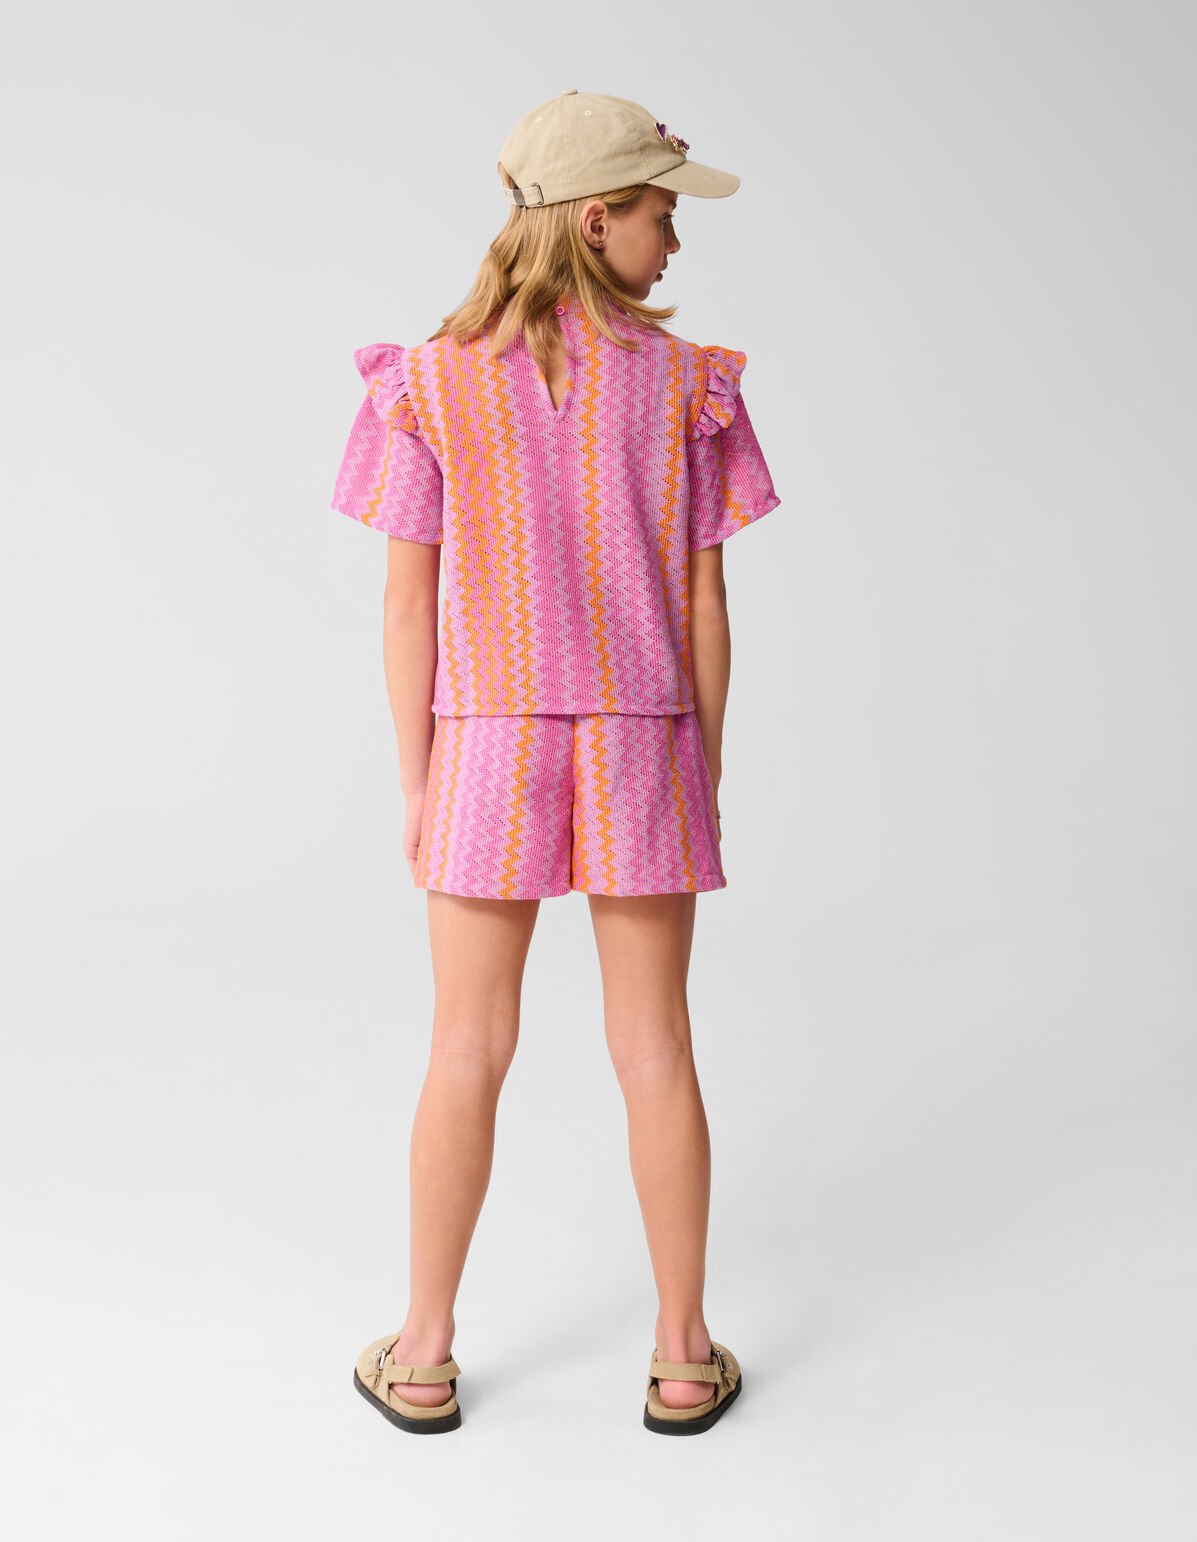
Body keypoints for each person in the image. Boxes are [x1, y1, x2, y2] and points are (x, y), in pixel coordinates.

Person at [332, 89, 782, 1436]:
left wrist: (419, 778)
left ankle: (422, 1354)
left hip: (489, 737)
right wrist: (702, 766)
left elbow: (407, 605)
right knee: (657, 1048)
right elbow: (705, 605)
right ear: (595, 220)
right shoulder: (688, 384)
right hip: (645, 737)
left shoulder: (429, 382)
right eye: (661, 213)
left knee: (465, 1045)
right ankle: (684, 1355)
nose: (674, 241)